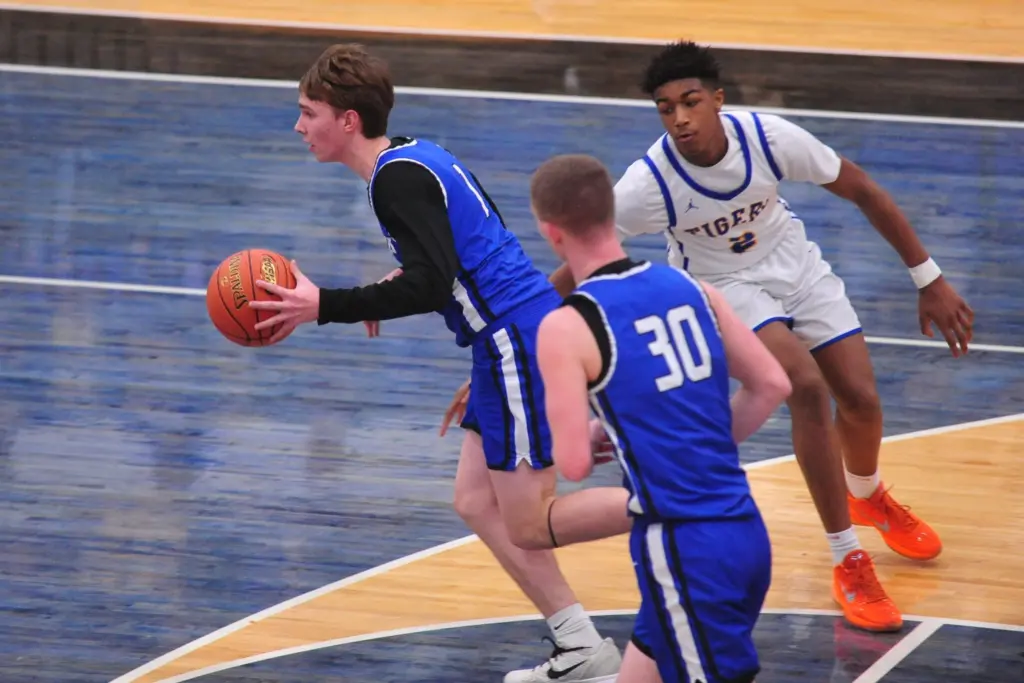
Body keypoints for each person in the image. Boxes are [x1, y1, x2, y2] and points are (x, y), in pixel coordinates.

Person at [542, 40, 974, 632]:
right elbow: (577, 260)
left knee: (861, 400)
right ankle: (846, 556)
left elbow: (863, 190)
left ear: (717, 99)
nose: (680, 118)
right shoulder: (648, 184)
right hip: (725, 289)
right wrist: (511, 346)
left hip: (796, 266)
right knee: (805, 388)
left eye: (691, 102)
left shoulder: (768, 138)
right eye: (666, 109)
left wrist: (930, 279)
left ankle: (866, 493)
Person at [248, 43, 627, 682]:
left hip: (516, 340)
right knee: (475, 500)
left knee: (531, 522)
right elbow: (466, 251)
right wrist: (435, 316)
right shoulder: (417, 154)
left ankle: (670, 500)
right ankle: (581, 645)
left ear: (347, 120)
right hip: (507, 340)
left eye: (308, 112)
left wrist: (326, 305)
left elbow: (431, 283)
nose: (298, 126)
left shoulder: (393, 181)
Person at [531, 153, 792, 682]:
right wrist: (684, 439)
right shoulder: (693, 288)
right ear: (611, 214)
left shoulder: (565, 326)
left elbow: (573, 463)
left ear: (550, 232)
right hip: (744, 534)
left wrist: (599, 431)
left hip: (682, 547)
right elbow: (772, 384)